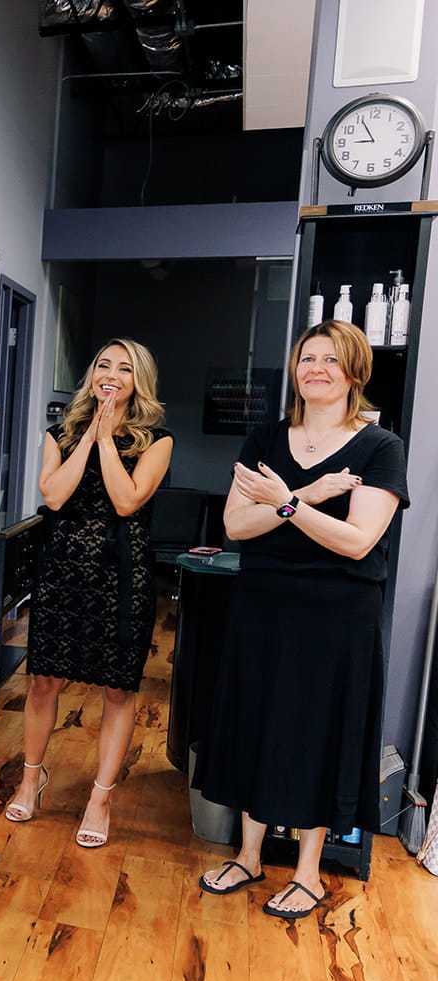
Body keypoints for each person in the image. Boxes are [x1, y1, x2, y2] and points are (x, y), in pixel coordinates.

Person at [194, 321, 406, 921]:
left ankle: (310, 873)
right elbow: (236, 526)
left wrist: (282, 501)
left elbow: (359, 541)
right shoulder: (265, 437)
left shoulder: (379, 447)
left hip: (337, 616)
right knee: (257, 722)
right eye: (306, 358)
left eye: (330, 360)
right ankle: (249, 854)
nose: (315, 368)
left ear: (354, 373)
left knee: (317, 732)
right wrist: (309, 495)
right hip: (263, 605)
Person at [6, 339, 173, 848]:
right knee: (42, 682)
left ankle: (100, 797)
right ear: (92, 374)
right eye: (104, 364)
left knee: (118, 690)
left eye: (125, 369)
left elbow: (126, 502)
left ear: (137, 382)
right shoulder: (59, 434)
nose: (112, 375)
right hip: (62, 571)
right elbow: (53, 495)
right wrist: (87, 436)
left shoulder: (157, 442)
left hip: (123, 575)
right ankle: (31, 778)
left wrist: (106, 441)